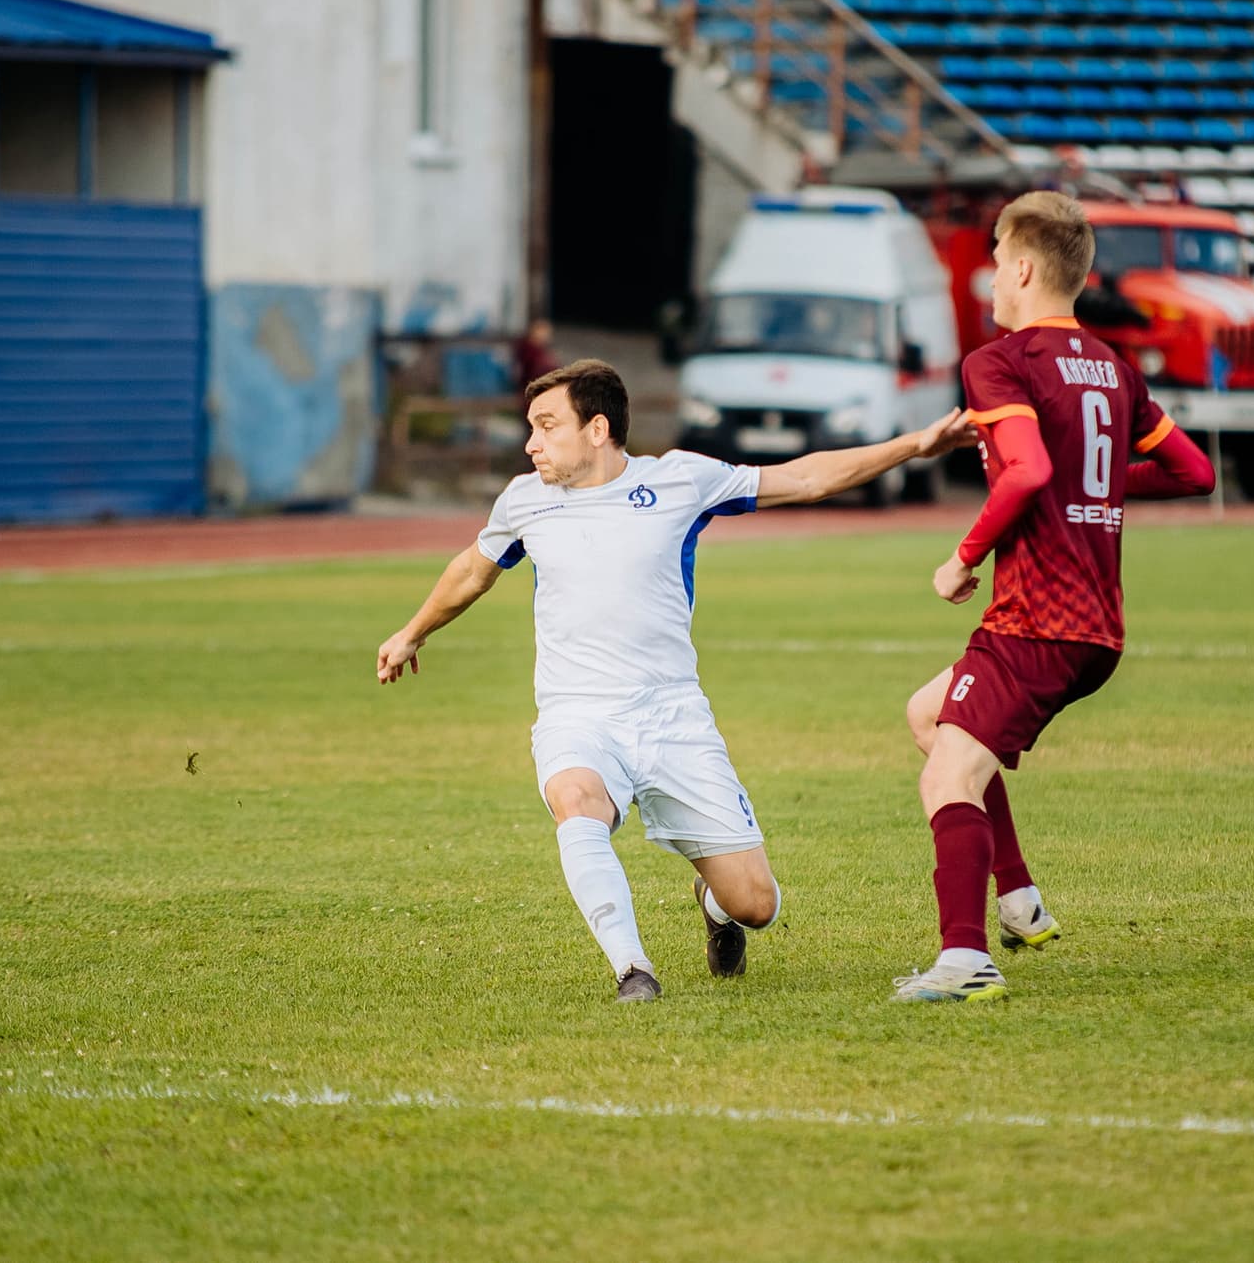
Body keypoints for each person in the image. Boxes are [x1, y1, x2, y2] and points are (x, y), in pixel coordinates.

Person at [378, 358, 972, 1001]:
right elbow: (473, 570)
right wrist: (413, 630)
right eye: (531, 428)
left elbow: (802, 478)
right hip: (577, 714)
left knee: (756, 903)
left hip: (672, 717)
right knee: (576, 804)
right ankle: (633, 970)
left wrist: (916, 444)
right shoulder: (525, 501)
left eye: (547, 426)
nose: (531, 444)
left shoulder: (681, 480)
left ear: (597, 428)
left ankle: (715, 907)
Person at [891, 191, 1215, 1004]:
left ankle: (964, 963)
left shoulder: (1000, 363)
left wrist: (962, 557)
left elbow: (1031, 471)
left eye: (997, 263)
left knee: (947, 779)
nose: (990, 281)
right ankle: (1020, 900)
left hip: (1037, 619)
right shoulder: (1112, 366)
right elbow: (1194, 472)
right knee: (931, 718)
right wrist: (1092, 486)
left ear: (1026, 268)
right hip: (1096, 626)